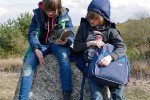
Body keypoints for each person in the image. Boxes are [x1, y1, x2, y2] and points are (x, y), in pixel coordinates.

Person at [19, 0, 74, 100]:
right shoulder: (37, 15)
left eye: (53, 11)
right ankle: (22, 98)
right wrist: (36, 48)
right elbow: (32, 33)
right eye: (47, 10)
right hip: (40, 44)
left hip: (57, 44)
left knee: (64, 59)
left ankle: (67, 95)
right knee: (27, 65)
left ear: (59, 7)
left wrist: (66, 41)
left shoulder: (65, 15)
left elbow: (71, 33)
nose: (49, 13)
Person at [73, 0, 127, 99]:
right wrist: (92, 43)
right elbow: (76, 47)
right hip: (92, 67)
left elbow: (122, 47)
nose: (91, 20)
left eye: (94, 18)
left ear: (102, 17)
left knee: (118, 95)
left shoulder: (111, 30)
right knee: (96, 97)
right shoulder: (84, 27)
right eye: (89, 17)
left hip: (110, 67)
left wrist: (110, 57)